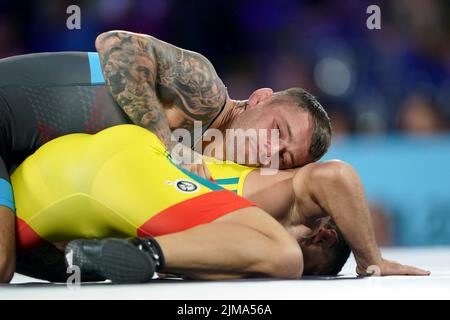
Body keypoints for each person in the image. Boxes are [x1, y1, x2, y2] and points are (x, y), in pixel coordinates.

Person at [0, 31, 331, 281]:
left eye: (283, 158)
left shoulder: (206, 167)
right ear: (260, 98)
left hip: (19, 157)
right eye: (276, 131)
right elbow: (115, 43)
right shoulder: (206, 92)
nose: (268, 151)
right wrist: (170, 144)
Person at [12, 125, 429, 283]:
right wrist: (371, 259)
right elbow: (335, 175)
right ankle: (146, 254)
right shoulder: (291, 197)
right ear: (322, 233)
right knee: (283, 258)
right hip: (128, 172)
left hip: (47, 179)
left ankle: (130, 255)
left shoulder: (225, 178)